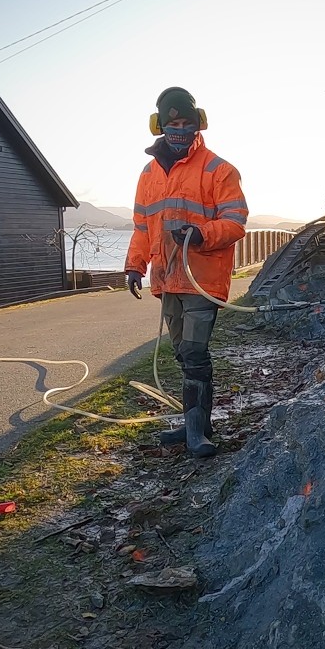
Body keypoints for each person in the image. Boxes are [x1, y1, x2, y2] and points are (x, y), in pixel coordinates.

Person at [124, 87, 248, 458]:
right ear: (158, 126)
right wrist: (135, 265)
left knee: (195, 353)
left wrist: (201, 234)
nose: (180, 129)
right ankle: (198, 422)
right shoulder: (148, 174)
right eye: (172, 123)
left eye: (186, 123)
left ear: (199, 124)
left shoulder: (218, 169)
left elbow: (235, 221)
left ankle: (196, 432)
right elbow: (142, 227)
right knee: (182, 354)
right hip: (166, 280)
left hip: (202, 279)